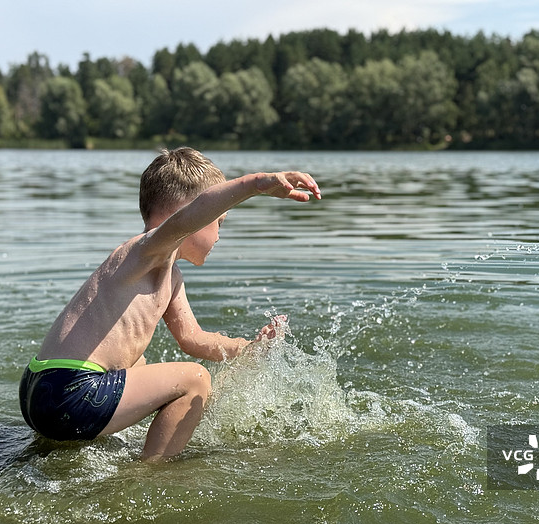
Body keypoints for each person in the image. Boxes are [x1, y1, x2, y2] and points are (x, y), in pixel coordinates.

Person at [19, 147, 321, 461]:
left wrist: (249, 349)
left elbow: (193, 339)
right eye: (219, 221)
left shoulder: (168, 275)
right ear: (191, 215)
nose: (219, 235)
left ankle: (107, 447)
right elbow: (192, 215)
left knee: (141, 363)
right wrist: (255, 184)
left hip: (41, 390)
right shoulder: (145, 251)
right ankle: (148, 472)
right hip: (70, 392)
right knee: (196, 379)